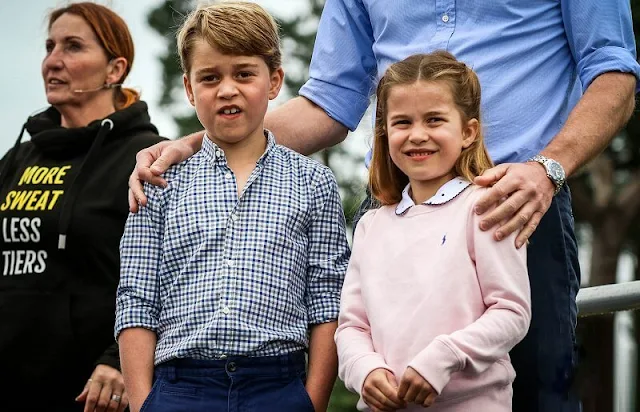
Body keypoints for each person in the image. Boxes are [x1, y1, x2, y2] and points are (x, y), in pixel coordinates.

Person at [127, 1, 640, 410]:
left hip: (517, 205)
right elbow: (330, 100)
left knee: (538, 397)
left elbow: (613, 71)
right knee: (388, 383)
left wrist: (546, 169)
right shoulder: (372, 230)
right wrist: (198, 146)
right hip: (398, 212)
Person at [114, 3, 350, 412]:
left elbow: (327, 299)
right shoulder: (159, 181)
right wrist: (142, 404)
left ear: (274, 81)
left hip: (278, 386)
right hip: (179, 388)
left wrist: (311, 401)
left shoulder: (314, 183)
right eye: (209, 77)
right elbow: (136, 298)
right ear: (189, 89)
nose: (227, 89)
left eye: (244, 73)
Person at [335, 51, 531, 412]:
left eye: (435, 119)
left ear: (468, 132)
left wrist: (444, 357)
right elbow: (351, 327)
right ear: (385, 132)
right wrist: (364, 370)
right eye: (402, 122)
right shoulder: (369, 226)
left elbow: (511, 311)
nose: (418, 135)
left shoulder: (486, 206)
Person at [0, 3, 167, 411]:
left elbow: (171, 272)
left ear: (114, 70)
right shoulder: (18, 159)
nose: (52, 61)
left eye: (72, 47)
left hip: (94, 391)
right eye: (49, 46)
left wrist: (118, 359)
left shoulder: (145, 158)